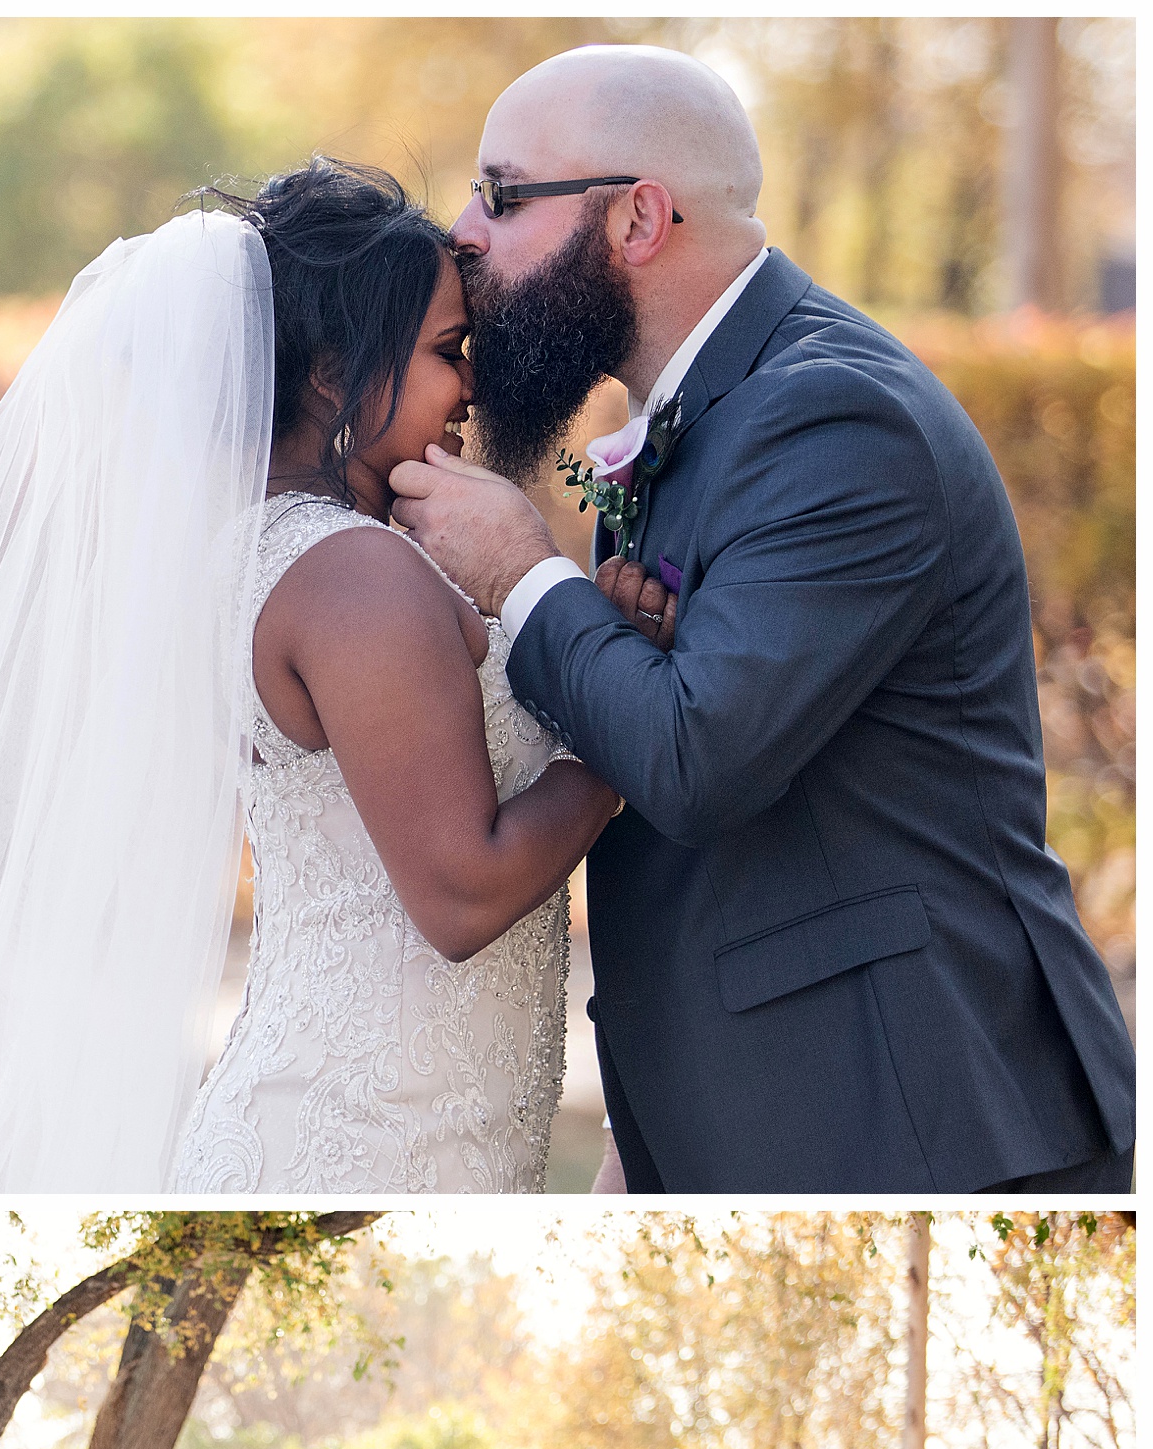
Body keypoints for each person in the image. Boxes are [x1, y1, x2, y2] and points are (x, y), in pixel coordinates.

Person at [0, 164, 655, 1196]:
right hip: (370, 1135)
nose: (470, 385)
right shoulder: (352, 575)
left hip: (391, 1117)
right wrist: (622, 712)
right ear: (334, 372)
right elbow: (462, 895)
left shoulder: (272, 551)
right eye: (444, 352)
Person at [391, 44, 1136, 1195]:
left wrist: (524, 577)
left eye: (503, 193)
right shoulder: (698, 410)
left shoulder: (837, 421)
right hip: (780, 1118)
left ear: (639, 219)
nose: (466, 232)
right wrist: (643, 1144)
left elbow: (695, 759)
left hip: (926, 1128)